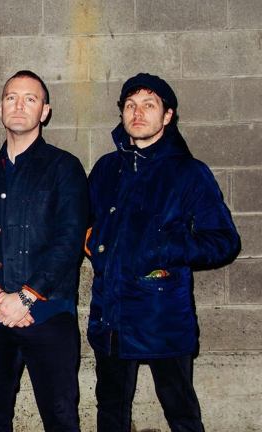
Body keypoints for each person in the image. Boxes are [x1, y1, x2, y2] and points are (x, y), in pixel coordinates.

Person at [86, 73, 240, 432]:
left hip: (163, 316)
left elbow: (224, 241)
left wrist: (165, 247)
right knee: (110, 412)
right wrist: (91, 240)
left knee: (181, 412)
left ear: (167, 115)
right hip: (110, 316)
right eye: (130, 105)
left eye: (149, 105)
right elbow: (84, 220)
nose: (137, 113)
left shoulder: (189, 173)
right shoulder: (107, 168)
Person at [0, 70, 88, 431]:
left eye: (30, 99)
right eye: (11, 97)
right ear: (0, 108)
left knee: (60, 417)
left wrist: (26, 297)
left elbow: (69, 239)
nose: (19, 105)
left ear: (44, 111)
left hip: (49, 314)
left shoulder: (65, 168)